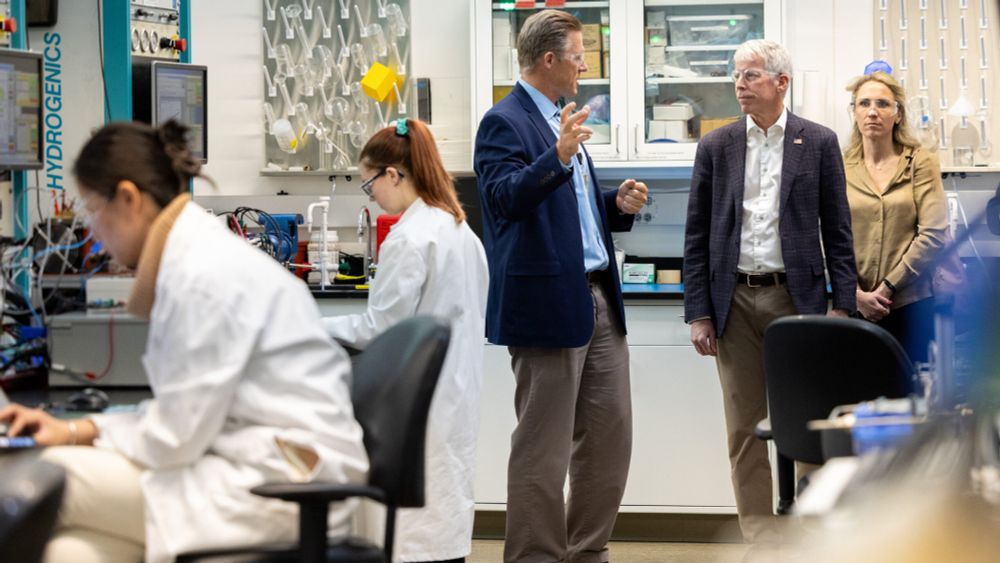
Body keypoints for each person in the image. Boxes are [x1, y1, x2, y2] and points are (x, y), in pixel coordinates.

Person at [0, 121, 368, 563]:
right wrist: (81, 429)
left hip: (280, 485)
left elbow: (173, 437)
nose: (93, 232)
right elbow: (179, 419)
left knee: (38, 475)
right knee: (70, 552)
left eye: (93, 210)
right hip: (261, 468)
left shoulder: (201, 274)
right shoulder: (195, 257)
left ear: (129, 199)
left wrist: (75, 437)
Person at [472, 9, 648, 563]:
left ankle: (586, 552)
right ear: (549, 60)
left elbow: (567, 212)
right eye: (578, 57)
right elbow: (503, 200)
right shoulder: (504, 121)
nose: (584, 67)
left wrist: (614, 205)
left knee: (608, 438)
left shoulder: (560, 119)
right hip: (545, 305)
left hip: (598, 298)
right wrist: (559, 155)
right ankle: (535, 557)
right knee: (542, 448)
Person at [683, 39, 857, 544]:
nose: (739, 84)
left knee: (806, 423)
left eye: (751, 75)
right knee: (743, 429)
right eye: (736, 75)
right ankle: (760, 541)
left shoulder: (818, 141)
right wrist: (698, 312)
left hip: (795, 299)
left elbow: (838, 230)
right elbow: (696, 233)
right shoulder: (716, 146)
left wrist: (842, 305)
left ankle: (808, 539)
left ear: (782, 82)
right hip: (732, 302)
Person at [323, 118, 489, 563]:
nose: (372, 195)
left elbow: (380, 329)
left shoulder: (410, 238)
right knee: (444, 513)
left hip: (418, 400)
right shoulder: (459, 230)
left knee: (414, 530)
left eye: (369, 184)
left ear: (393, 174)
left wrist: (312, 326)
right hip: (456, 392)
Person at [843, 71, 948, 363]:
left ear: (898, 114)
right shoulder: (840, 165)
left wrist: (888, 287)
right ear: (854, 112)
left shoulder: (920, 162)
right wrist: (855, 293)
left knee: (910, 387)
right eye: (864, 103)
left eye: (883, 104)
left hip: (910, 304)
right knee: (857, 387)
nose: (872, 111)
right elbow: (827, 235)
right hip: (854, 306)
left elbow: (933, 233)